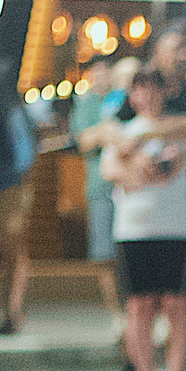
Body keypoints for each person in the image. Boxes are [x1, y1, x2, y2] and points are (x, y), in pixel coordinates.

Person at [104, 68, 186, 371]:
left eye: (153, 88)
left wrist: (143, 155)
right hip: (132, 231)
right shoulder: (121, 132)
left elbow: (180, 152)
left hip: (176, 228)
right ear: (132, 95)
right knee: (138, 307)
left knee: (177, 306)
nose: (147, 96)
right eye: (140, 89)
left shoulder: (179, 129)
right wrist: (139, 165)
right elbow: (115, 173)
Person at [0, 61, 39, 338]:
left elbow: (24, 154)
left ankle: (13, 311)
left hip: (6, 188)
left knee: (12, 255)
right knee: (12, 255)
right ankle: (12, 310)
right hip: (10, 187)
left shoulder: (2, 111)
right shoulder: (13, 109)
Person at [69, 56, 127, 321]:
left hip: (128, 186)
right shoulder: (86, 103)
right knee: (104, 255)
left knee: (129, 253)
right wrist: (107, 132)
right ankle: (118, 315)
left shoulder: (125, 99)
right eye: (97, 71)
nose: (102, 76)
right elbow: (84, 141)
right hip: (100, 186)